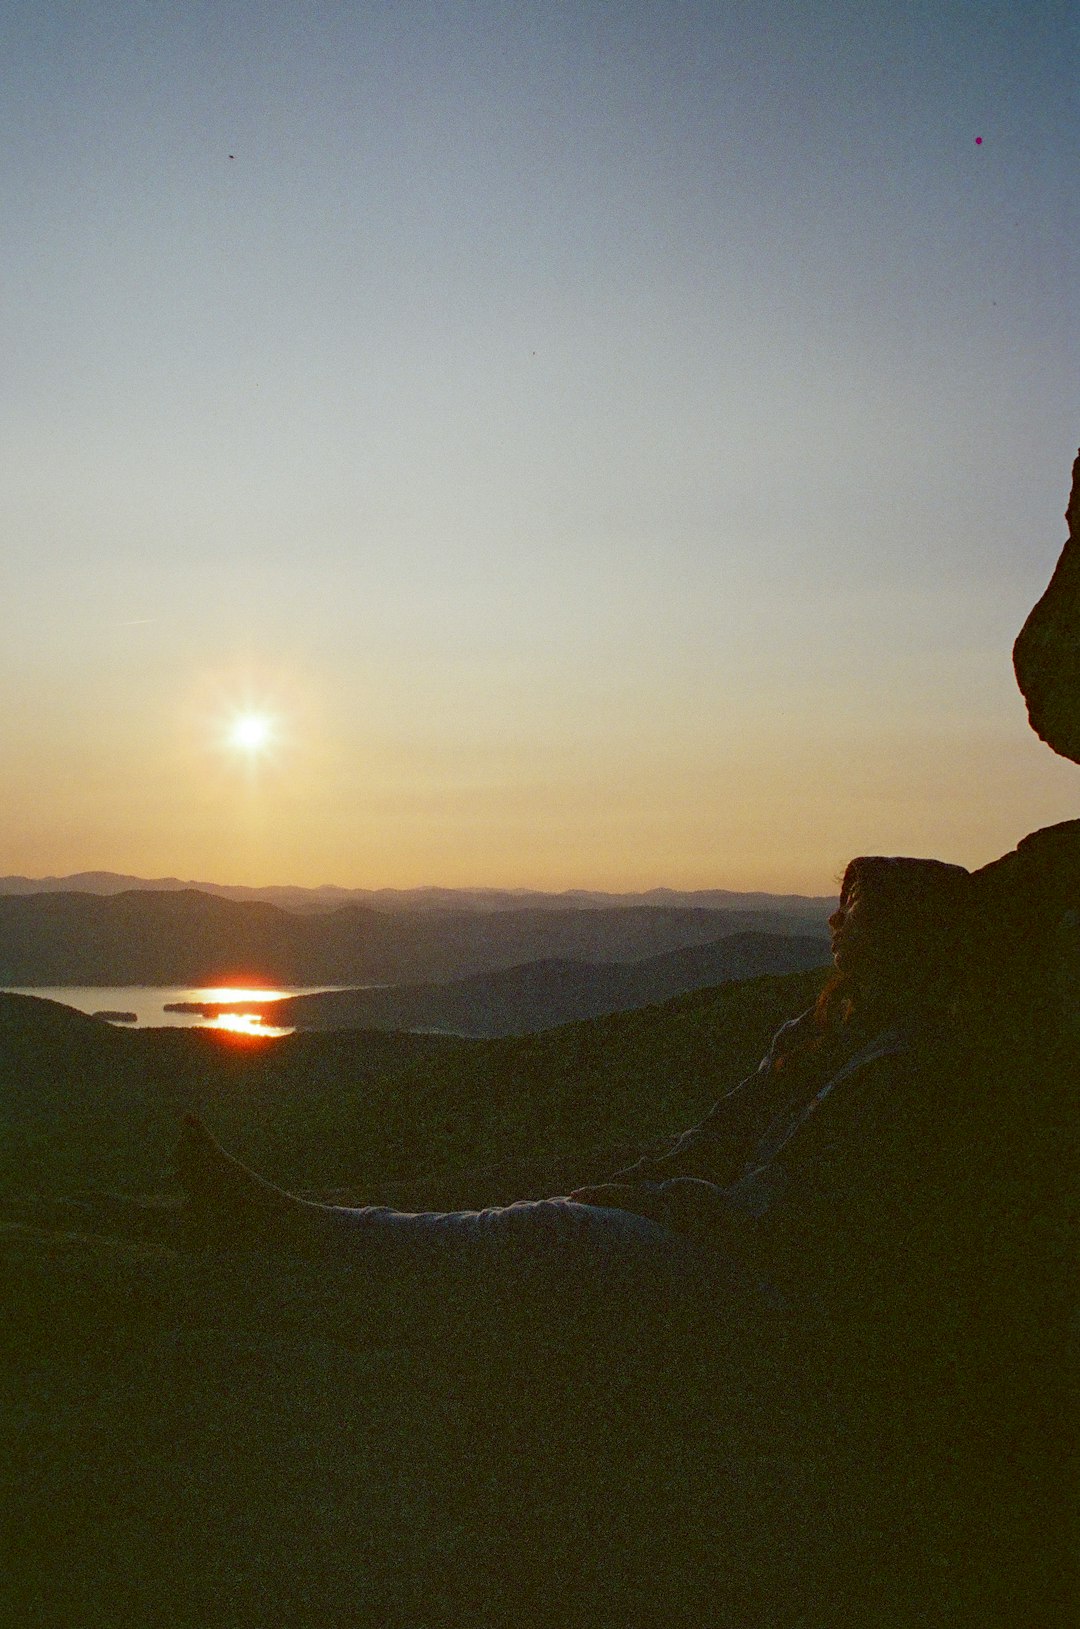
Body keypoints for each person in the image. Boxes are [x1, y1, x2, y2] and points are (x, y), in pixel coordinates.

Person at [176, 853, 976, 1328]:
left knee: (548, 1230)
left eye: (858, 916)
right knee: (547, 1212)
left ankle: (304, 1232)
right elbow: (719, 1136)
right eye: (841, 914)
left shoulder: (905, 1062)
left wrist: (652, 1202)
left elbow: (779, 1211)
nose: (838, 931)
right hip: (718, 1239)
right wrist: (638, 1187)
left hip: (767, 1286)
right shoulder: (817, 1034)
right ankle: (316, 1228)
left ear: (905, 937)